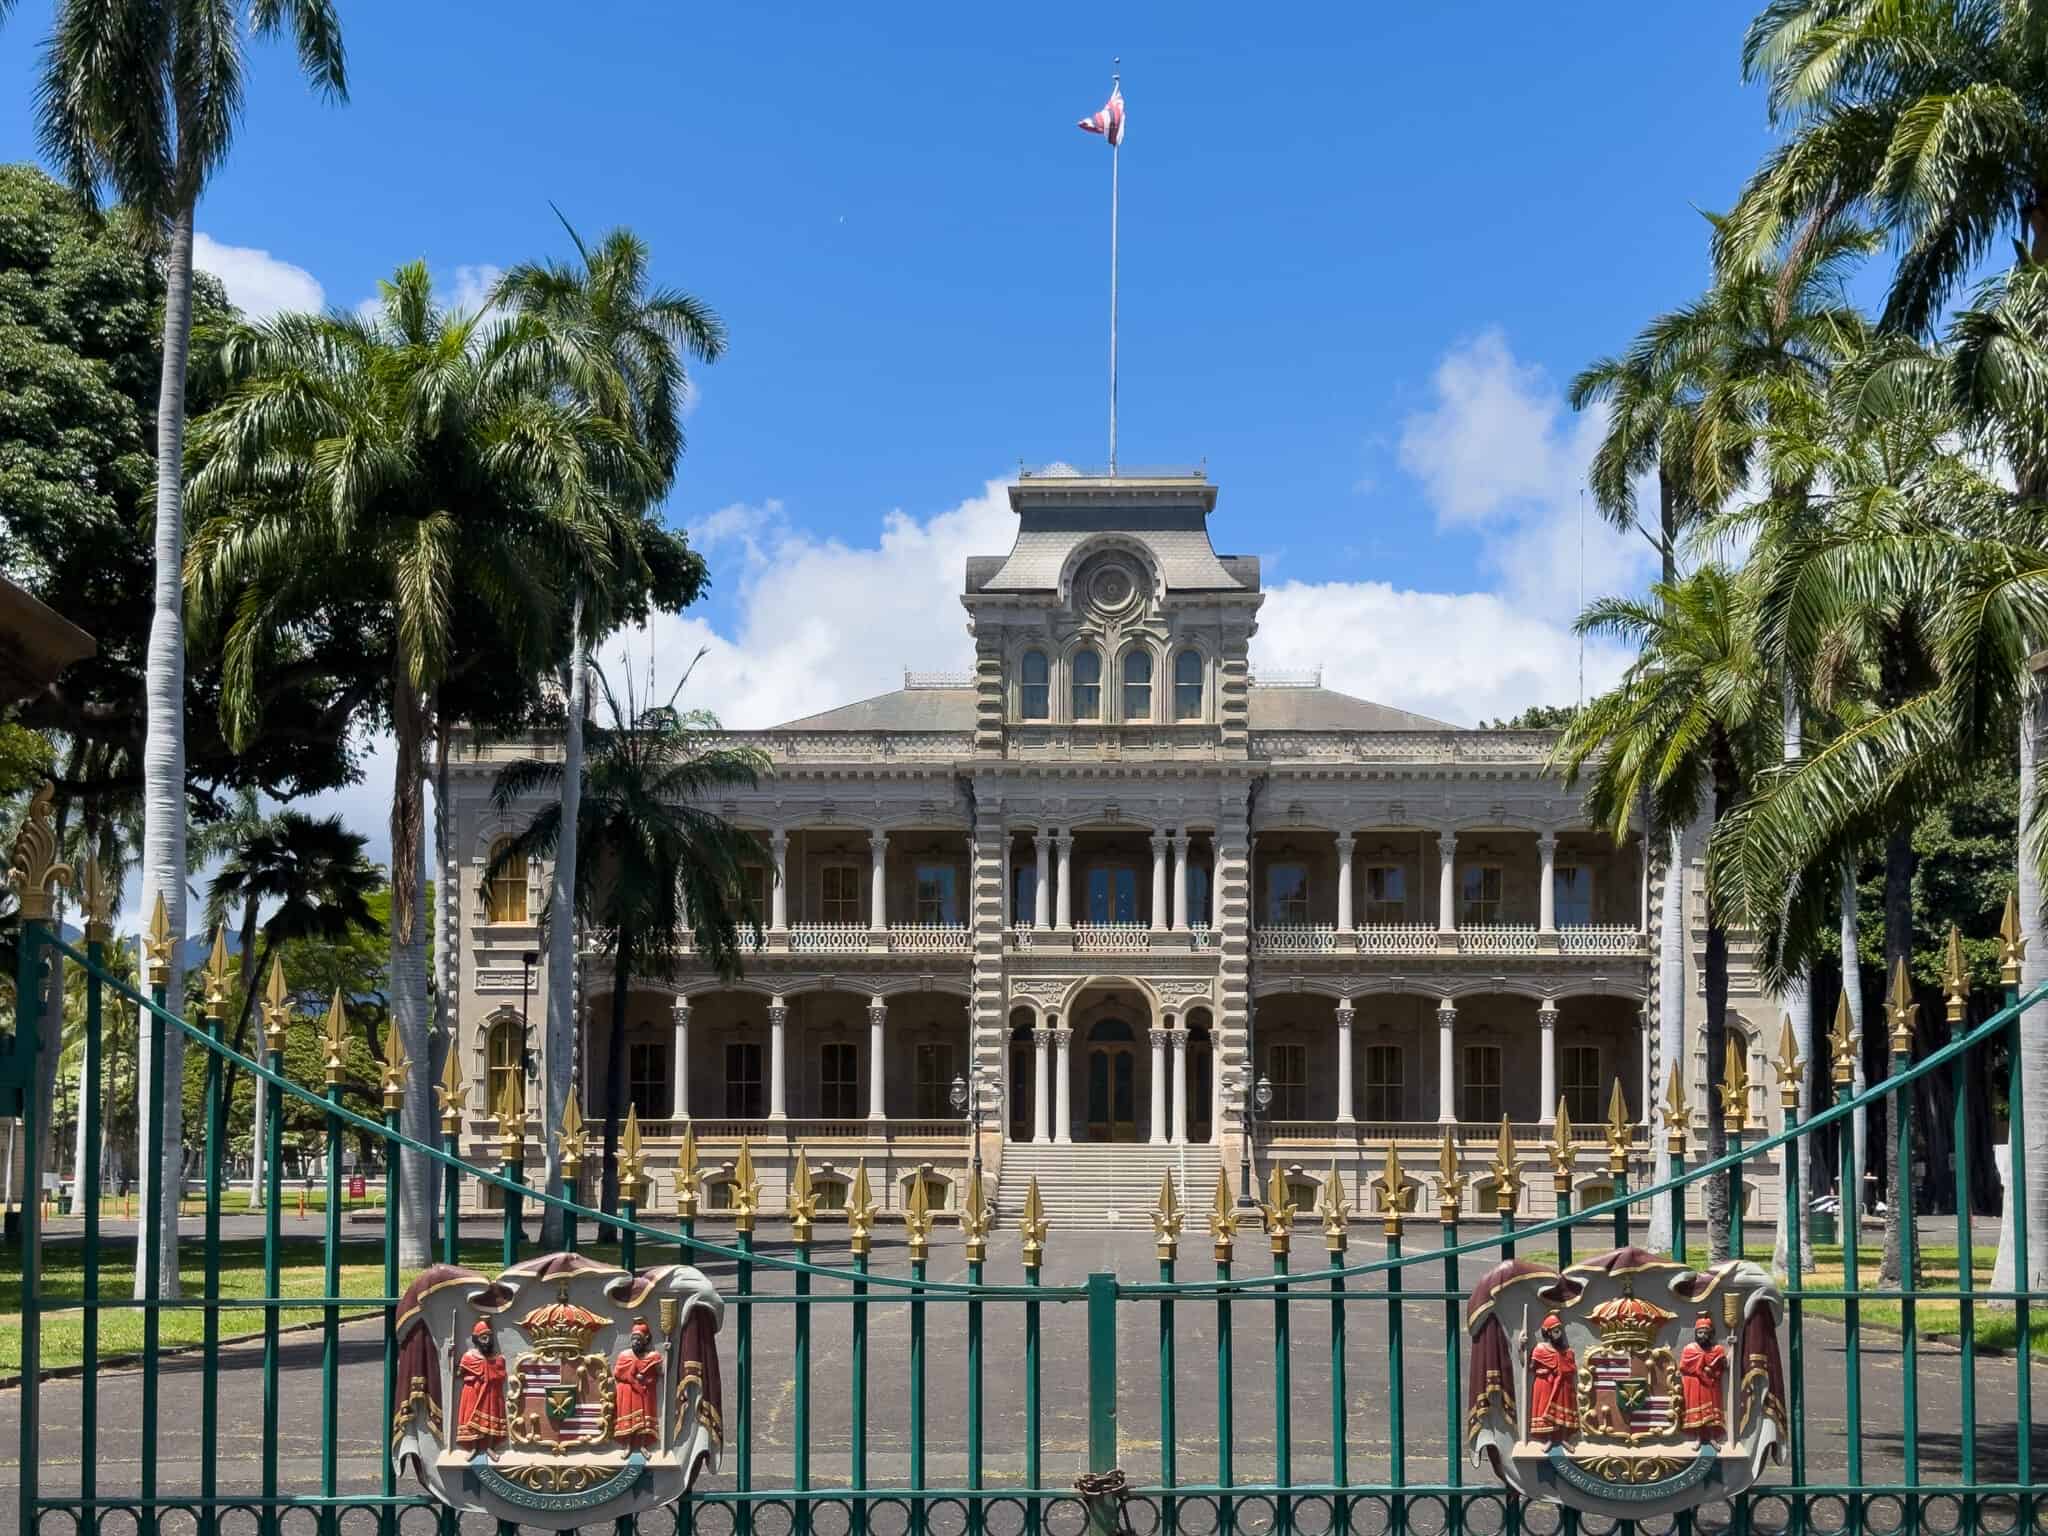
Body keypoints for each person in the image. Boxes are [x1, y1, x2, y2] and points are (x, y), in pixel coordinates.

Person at [455, 1320, 509, 1453]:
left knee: (491, 1417)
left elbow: (501, 1375)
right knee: (470, 1418)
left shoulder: (497, 1358)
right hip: (472, 1391)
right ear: (476, 1339)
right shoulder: (468, 1357)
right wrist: (451, 1355)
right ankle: (474, 1448)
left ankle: (490, 1447)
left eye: (489, 1338)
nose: (487, 1341)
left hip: (491, 1392)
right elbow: (458, 1374)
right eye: (483, 1338)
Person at [614, 1318, 663, 1451]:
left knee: (644, 1423)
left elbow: (658, 1373)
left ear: (645, 1340)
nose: (635, 1342)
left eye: (638, 1339)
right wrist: (633, 1378)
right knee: (629, 1421)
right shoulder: (624, 1355)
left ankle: (643, 1446)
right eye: (633, 1339)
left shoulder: (653, 1357)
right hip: (629, 1392)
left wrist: (646, 1378)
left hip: (644, 1393)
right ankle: (628, 1446)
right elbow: (618, 1373)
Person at [1678, 1312, 1727, 1443]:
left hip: (1711, 1386)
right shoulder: (1689, 1349)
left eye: (1706, 1333)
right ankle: (1698, 1438)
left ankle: (1712, 1438)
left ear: (1711, 1334)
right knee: (1697, 1415)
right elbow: (1683, 1366)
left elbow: (1722, 1368)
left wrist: (1713, 1369)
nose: (1703, 1335)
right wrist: (1699, 1370)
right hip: (1695, 1386)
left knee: (1711, 1414)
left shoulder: (1717, 1349)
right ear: (1696, 1334)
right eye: (1700, 1333)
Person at [1528, 1313, 1578, 1442]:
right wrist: (1521, 1348)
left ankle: (1563, 1440)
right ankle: (1549, 1440)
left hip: (1560, 1384)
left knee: (1561, 1409)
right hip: (1544, 1383)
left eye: (1560, 1331)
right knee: (1546, 1411)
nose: (1559, 1334)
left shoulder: (1564, 1351)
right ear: (1548, 1332)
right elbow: (1530, 1367)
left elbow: (1570, 1367)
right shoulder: (1540, 1349)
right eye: (1556, 1331)